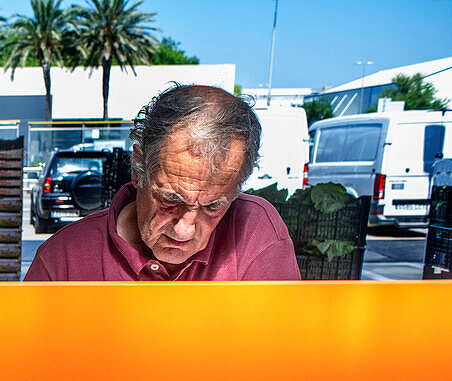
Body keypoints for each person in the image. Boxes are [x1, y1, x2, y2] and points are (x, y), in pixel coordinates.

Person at [25, 84, 300, 281]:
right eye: (171, 199)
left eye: (213, 207)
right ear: (138, 169)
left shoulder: (258, 232)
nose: (184, 231)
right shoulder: (62, 261)